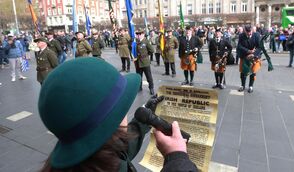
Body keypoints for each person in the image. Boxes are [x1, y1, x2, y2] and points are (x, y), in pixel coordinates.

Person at [38, 57, 197, 172]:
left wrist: (143, 122)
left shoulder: (89, 153)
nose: (125, 112)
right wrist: (177, 158)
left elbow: (119, 151)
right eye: (121, 108)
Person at [237, 25, 262, 93]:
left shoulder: (256, 35)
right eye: (247, 32)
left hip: (254, 56)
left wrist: (253, 54)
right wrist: (248, 51)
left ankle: (251, 86)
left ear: (252, 30)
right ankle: (242, 85)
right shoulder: (241, 36)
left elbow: (260, 47)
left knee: (252, 72)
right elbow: (239, 46)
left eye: (250, 31)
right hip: (244, 55)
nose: (249, 33)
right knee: (243, 72)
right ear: (244, 31)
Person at [135, 29, 155, 95]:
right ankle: (139, 87)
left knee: (148, 76)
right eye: (137, 34)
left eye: (140, 34)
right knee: (139, 76)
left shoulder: (146, 41)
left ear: (143, 34)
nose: (138, 35)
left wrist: (146, 55)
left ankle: (151, 88)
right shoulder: (136, 42)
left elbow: (152, 50)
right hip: (138, 62)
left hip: (145, 62)